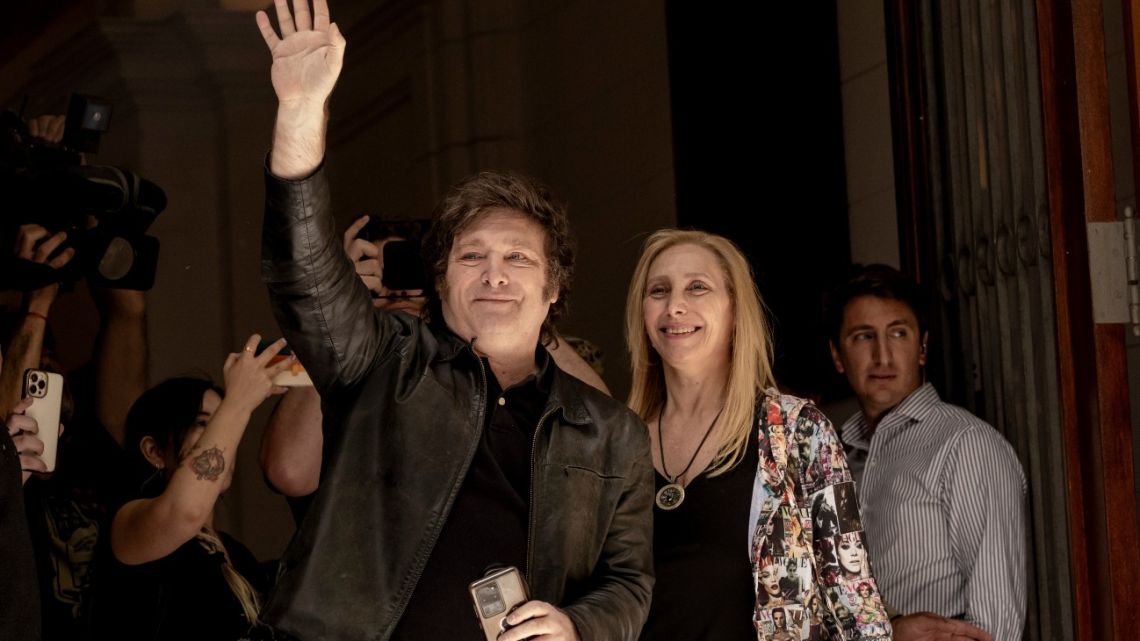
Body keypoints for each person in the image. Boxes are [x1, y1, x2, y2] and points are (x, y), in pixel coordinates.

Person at [254, 1, 654, 639]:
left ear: (555, 288)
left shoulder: (611, 432)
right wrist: (300, 116)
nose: (495, 274)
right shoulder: (385, 361)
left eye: (518, 258)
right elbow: (304, 277)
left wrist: (578, 627)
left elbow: (629, 582)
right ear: (442, 282)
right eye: (473, 256)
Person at [625, 229, 890, 640]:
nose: (675, 306)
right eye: (658, 290)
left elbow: (855, 602)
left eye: (697, 287)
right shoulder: (618, 442)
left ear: (734, 312)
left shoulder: (799, 431)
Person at [259, 216, 610, 520]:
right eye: (377, 266)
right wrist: (339, 310)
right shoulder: (335, 366)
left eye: (409, 268)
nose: (396, 286)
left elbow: (602, 423)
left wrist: (518, 314)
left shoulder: (476, 368)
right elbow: (290, 471)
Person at [825, 264, 1025, 641]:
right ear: (838, 356)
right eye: (863, 337)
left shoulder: (965, 444)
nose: (883, 356)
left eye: (898, 334)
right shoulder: (833, 459)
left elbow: (994, 625)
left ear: (922, 348)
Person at [87, 339, 293, 641]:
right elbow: (184, 512)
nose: (223, 438)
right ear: (155, 451)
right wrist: (238, 402)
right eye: (203, 424)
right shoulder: (128, 522)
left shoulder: (238, 554)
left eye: (221, 423)